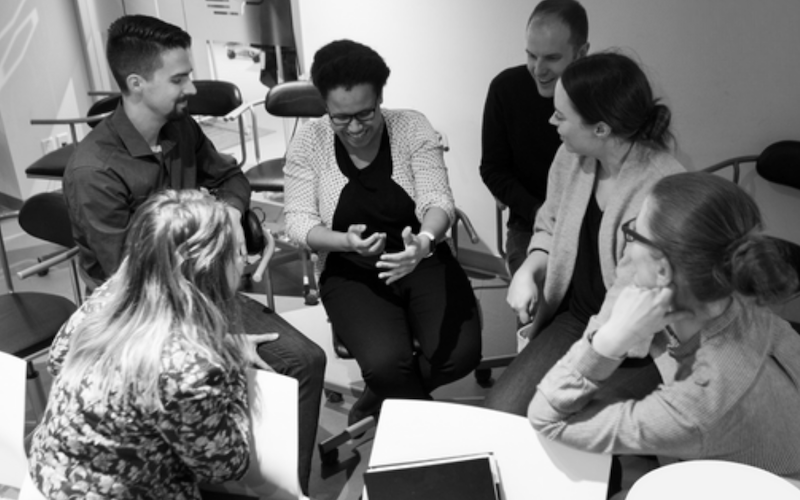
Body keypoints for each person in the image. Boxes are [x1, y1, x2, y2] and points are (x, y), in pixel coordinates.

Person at [61, 15, 324, 493]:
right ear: (137, 84)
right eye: (179, 78)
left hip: (202, 294)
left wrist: (227, 216)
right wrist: (215, 344)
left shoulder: (180, 128)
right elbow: (138, 281)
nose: (191, 87)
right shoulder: (92, 170)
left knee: (303, 361)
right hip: (149, 314)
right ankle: (220, 468)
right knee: (281, 365)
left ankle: (282, 488)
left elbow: (231, 179)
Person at [529, 172, 800, 486]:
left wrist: (607, 343)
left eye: (633, 234)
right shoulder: (739, 299)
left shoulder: (696, 406)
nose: (626, 250)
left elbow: (547, 419)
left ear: (662, 269)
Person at [284, 39, 482, 425]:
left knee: (460, 356)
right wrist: (343, 241)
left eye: (365, 113)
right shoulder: (310, 141)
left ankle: (384, 397)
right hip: (351, 270)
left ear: (380, 98)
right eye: (341, 118)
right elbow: (297, 222)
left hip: (420, 259)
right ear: (325, 105)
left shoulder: (410, 126)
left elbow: (437, 200)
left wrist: (422, 244)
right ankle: (426, 430)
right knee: (386, 364)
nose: (355, 128)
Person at [485, 52, 686, 416]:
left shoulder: (660, 189)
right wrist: (531, 268)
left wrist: (569, 379)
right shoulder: (571, 156)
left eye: (561, 115)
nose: (551, 120)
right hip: (577, 317)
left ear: (601, 128)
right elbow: (549, 224)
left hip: (637, 337)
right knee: (503, 409)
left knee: (566, 420)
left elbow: (626, 307)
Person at [29, 190, 262, 498]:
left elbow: (58, 360)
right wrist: (232, 361)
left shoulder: (111, 294)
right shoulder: (189, 369)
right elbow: (227, 466)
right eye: (238, 252)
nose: (243, 262)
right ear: (206, 267)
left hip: (47, 480)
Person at [480, 0, 589, 276]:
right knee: (537, 304)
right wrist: (537, 212)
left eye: (552, 58)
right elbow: (493, 169)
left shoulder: (601, 95)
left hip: (590, 223)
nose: (538, 69)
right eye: (531, 55)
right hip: (529, 224)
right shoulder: (506, 89)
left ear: (581, 53)